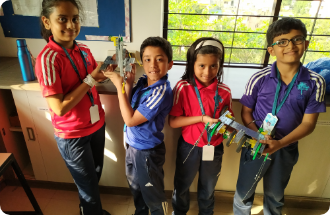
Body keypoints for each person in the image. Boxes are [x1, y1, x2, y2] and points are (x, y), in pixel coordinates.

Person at [234, 17, 326, 215]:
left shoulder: (315, 82)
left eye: (297, 39)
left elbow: (308, 123)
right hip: (255, 144)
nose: (290, 45)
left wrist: (280, 143)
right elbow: (246, 112)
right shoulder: (259, 78)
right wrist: (257, 134)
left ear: (306, 44)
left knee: (275, 195)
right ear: (271, 50)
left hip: (286, 148)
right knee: (243, 193)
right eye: (282, 41)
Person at [35, 0, 111, 214]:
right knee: (89, 189)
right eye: (63, 19)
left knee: (93, 179)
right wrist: (91, 79)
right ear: (46, 22)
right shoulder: (48, 59)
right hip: (73, 135)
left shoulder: (84, 49)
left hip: (96, 124)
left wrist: (108, 69)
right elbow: (59, 108)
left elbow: (94, 78)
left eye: (75, 19)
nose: (71, 25)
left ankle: (87, 210)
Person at [104, 37, 174, 215]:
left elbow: (130, 120)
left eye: (160, 59)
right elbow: (128, 105)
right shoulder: (143, 82)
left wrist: (119, 86)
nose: (153, 65)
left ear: (170, 64)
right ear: (141, 62)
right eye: (148, 59)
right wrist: (127, 83)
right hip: (133, 147)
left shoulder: (161, 91)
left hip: (147, 153)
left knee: (154, 195)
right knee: (136, 189)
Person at [169, 37, 233, 215]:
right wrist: (201, 118)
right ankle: (179, 212)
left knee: (208, 187)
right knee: (182, 185)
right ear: (192, 64)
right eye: (202, 66)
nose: (207, 71)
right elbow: (173, 122)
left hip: (214, 148)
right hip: (189, 146)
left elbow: (229, 120)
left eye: (213, 65)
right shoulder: (183, 87)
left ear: (220, 65)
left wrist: (227, 127)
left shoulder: (225, 91)